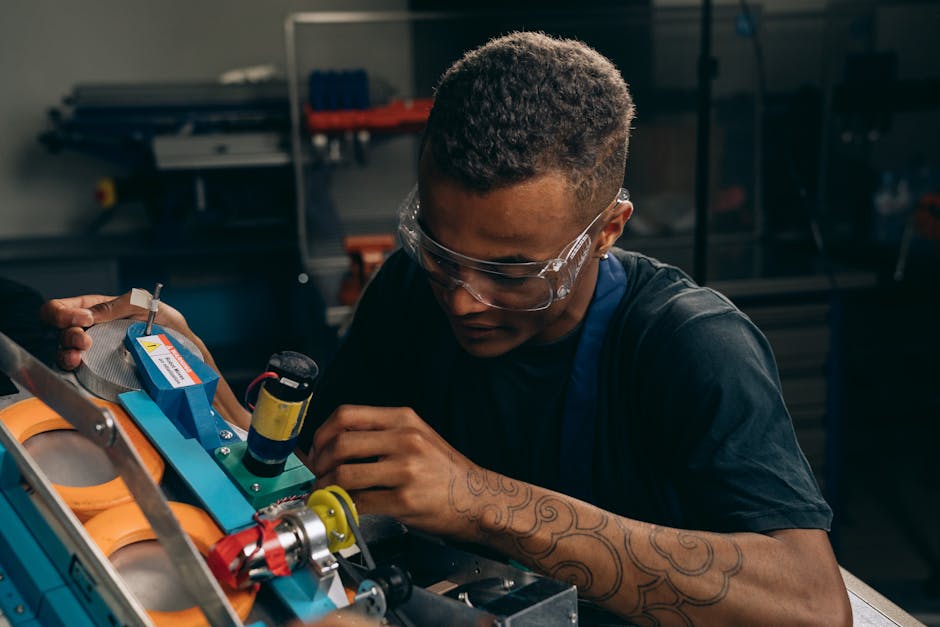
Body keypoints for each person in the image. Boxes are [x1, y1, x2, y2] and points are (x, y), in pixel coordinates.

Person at [42, 32, 850, 625]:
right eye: (437, 246)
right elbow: (302, 483)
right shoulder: (410, 294)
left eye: (509, 270)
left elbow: (814, 608)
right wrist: (199, 381)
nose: (463, 299)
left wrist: (480, 500)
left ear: (607, 230)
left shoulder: (690, 345)